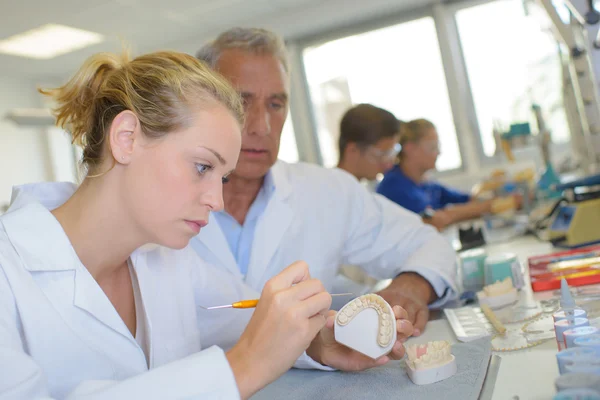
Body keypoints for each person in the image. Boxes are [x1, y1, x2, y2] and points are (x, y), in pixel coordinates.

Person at [0, 50, 413, 400]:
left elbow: (253, 325)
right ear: (126, 138)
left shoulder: (169, 261)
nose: (215, 200)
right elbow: (249, 352)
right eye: (202, 166)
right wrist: (243, 367)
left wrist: (323, 344)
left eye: (223, 176)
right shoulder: (9, 270)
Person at [192, 27, 457, 335]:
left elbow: (430, 244)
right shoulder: (161, 210)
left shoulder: (328, 191)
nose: (261, 126)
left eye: (275, 104)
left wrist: (412, 286)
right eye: (241, 101)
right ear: (202, 105)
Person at [377, 119, 519, 231]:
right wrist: (496, 205)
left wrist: (498, 189)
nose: (438, 152)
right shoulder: (393, 188)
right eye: (433, 147)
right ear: (410, 148)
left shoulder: (427, 184)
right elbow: (434, 220)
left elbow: (467, 200)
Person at [337, 103, 401, 182]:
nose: (389, 166)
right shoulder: (327, 191)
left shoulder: (358, 190)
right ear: (352, 150)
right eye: (382, 155)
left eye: (391, 153)